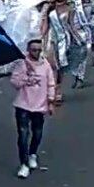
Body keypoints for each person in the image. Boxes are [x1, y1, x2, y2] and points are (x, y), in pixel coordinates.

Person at [10, 39, 55, 178]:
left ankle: (32, 154)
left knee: (37, 133)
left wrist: (51, 101)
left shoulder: (45, 65)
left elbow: (51, 83)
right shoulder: (22, 64)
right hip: (23, 104)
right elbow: (14, 82)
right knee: (23, 135)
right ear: (29, 50)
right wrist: (26, 78)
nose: (36, 52)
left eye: (39, 50)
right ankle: (24, 164)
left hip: (39, 105)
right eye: (34, 50)